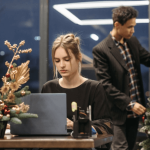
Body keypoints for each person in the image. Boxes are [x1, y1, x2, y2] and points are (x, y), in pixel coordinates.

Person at [41, 33, 112, 149]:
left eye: (67, 59)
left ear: (79, 57)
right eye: (57, 61)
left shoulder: (94, 88)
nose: (61, 65)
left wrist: (76, 126)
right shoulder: (48, 88)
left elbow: (106, 126)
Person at [92, 6, 149, 150]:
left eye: (134, 26)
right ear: (117, 24)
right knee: (120, 148)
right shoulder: (101, 50)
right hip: (117, 113)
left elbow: (147, 59)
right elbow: (106, 85)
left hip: (135, 112)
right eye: (130, 27)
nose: (133, 30)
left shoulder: (132, 42)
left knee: (129, 147)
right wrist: (130, 104)